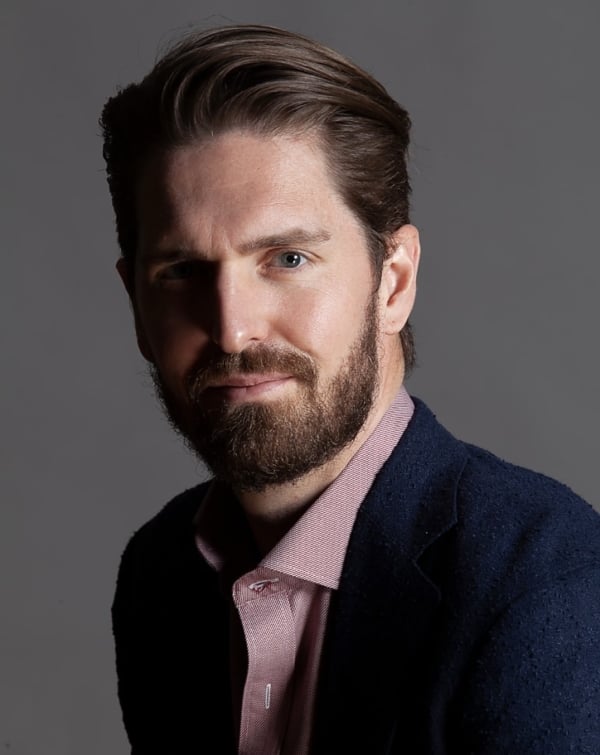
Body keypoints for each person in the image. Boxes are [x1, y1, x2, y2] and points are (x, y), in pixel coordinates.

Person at [101, 24, 600, 754]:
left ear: (393, 283)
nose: (234, 330)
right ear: (136, 306)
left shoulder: (544, 584)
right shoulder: (160, 571)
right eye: (180, 272)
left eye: (289, 257)